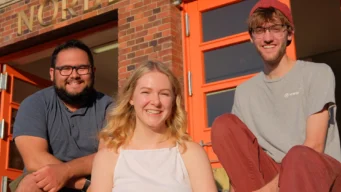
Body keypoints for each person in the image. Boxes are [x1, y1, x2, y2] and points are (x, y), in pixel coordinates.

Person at [211, 0, 341, 191]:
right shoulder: (245, 92)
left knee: (298, 156)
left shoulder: (317, 73)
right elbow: (242, 159)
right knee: (223, 126)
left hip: (317, 172)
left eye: (276, 29)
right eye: (260, 30)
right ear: (251, 38)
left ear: (289, 33)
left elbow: (314, 146)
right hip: (274, 176)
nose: (268, 38)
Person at [90, 60, 217, 192]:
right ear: (131, 98)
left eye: (164, 94)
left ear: (173, 101)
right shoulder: (108, 158)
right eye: (146, 92)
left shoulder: (191, 153)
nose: (156, 102)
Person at [11, 39, 113, 192]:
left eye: (82, 68)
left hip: (96, 179)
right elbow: (34, 160)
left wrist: (67, 171)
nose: (74, 75)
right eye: (65, 69)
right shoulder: (34, 104)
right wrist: (80, 183)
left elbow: (108, 156)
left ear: (93, 71)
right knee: (31, 184)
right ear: (52, 73)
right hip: (52, 178)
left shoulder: (110, 108)